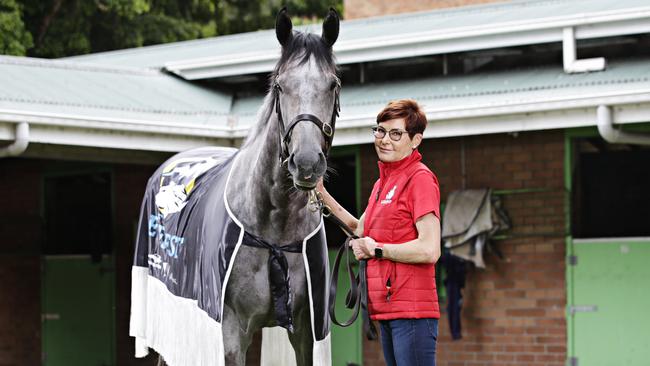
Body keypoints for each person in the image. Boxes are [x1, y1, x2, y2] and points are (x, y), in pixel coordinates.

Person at [317, 99, 442, 366]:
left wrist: (377, 249)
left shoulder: (419, 179)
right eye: (380, 131)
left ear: (416, 140)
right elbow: (359, 229)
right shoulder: (381, 184)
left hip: (412, 313)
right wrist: (320, 192)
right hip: (386, 310)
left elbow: (430, 248)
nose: (385, 140)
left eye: (396, 134)